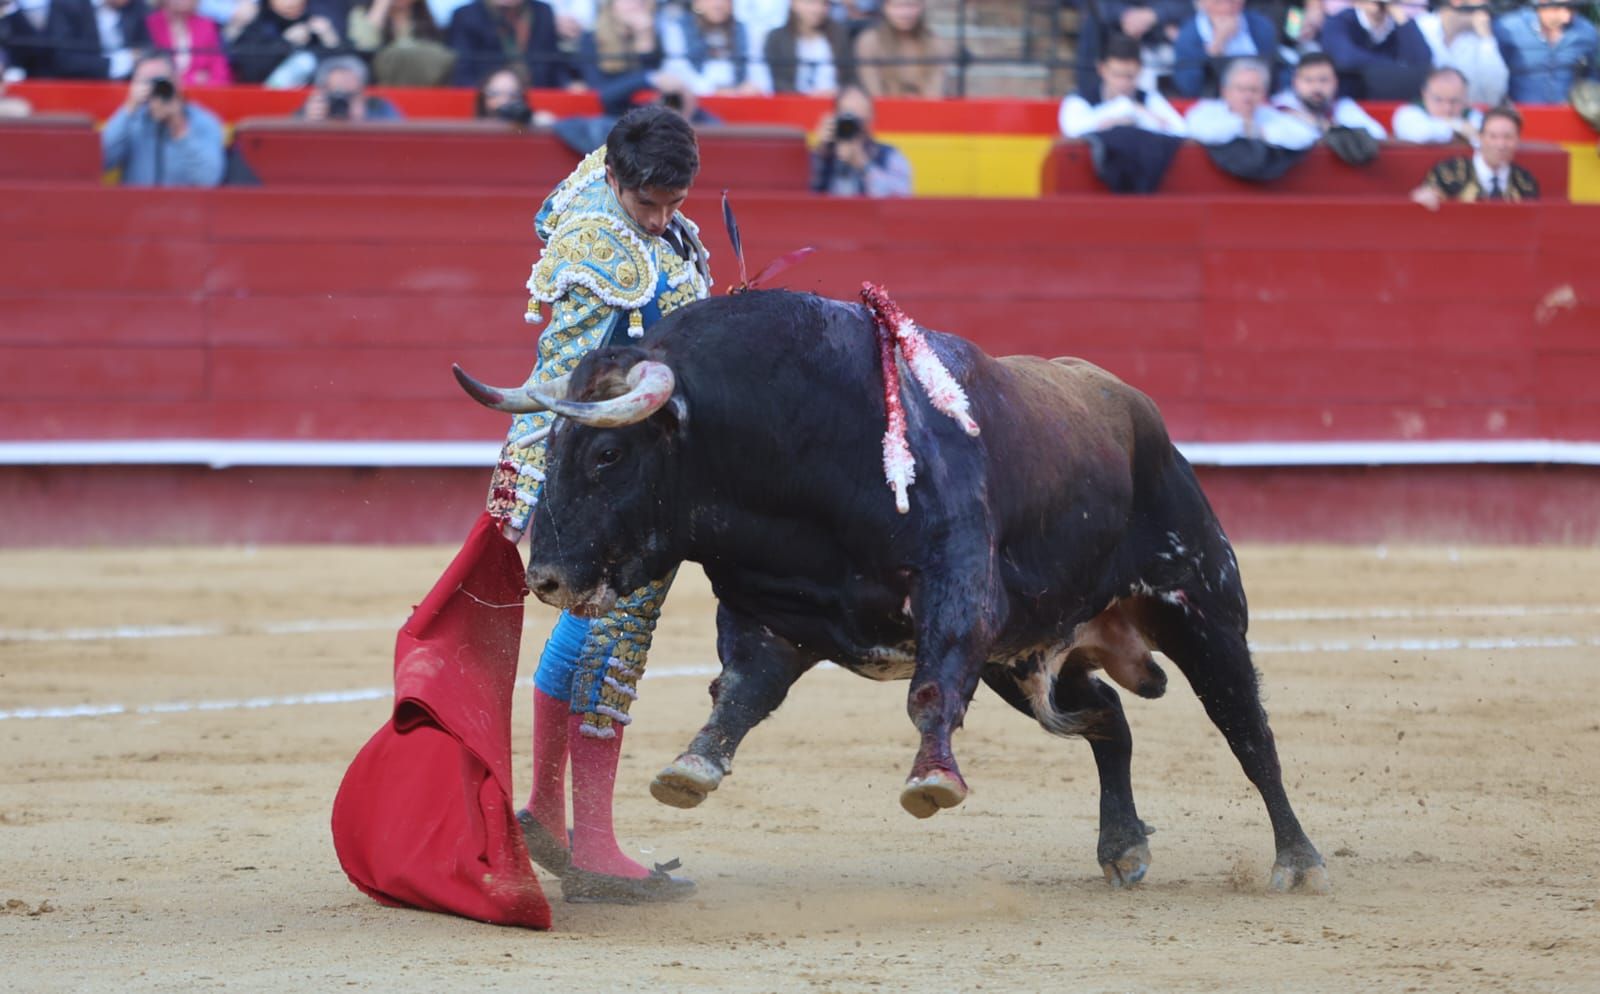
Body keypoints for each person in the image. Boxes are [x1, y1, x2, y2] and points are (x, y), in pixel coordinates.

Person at [478, 105, 710, 904]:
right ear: (614, 181)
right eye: (649, 204)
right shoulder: (592, 245)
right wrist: (523, 487)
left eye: (674, 203)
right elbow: (562, 379)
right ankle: (598, 846)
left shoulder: (654, 224)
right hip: (611, 484)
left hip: (636, 472)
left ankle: (547, 808)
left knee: (585, 628)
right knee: (616, 634)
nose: (663, 218)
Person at [100, 47, 225, 186]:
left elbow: (209, 180)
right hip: (136, 205)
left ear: (177, 82)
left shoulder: (203, 121)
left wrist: (179, 128)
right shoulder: (131, 121)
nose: (155, 88)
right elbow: (99, 162)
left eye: (161, 81)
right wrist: (129, 109)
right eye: (146, 82)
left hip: (185, 206)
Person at [1059, 32, 1185, 137]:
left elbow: (1181, 132)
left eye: (1129, 76)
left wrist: (1137, 113)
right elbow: (1072, 131)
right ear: (1102, 70)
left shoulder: (1148, 99)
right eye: (1117, 75)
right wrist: (1119, 112)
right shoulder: (1079, 99)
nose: (1123, 83)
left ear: (1139, 70)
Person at [1411, 104, 1538, 207]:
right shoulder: (1448, 172)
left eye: (1508, 137)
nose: (1501, 145)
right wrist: (1424, 196)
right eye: (1493, 136)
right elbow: (1425, 195)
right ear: (1480, 137)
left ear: (1517, 141)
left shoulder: (1525, 182)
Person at [1185, 56, 1320, 147]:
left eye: (1254, 90)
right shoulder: (1206, 110)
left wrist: (1260, 132)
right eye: (1241, 89)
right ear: (1225, 91)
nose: (1248, 96)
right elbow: (1199, 131)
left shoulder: (1268, 114)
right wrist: (1243, 126)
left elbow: (1307, 136)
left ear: (1263, 94)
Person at [576, 0, 679, 116]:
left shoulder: (655, 37)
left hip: (646, 116)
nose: (635, 4)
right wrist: (647, 78)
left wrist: (644, 39)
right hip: (609, 116)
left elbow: (652, 90)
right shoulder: (591, 39)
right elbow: (599, 91)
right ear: (611, 6)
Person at [810, 82, 912, 196]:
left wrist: (864, 165)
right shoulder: (822, 155)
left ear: (872, 120)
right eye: (846, 121)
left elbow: (900, 201)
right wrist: (821, 153)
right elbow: (800, 197)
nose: (853, 129)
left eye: (860, 122)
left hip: (871, 213)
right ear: (835, 119)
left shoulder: (890, 157)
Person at [1318, 0, 1433, 99]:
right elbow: (1345, 58)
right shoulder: (1339, 21)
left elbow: (1422, 61)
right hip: (1348, 99)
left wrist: (1401, 18)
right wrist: (1396, 67)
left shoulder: (1402, 25)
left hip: (1392, 99)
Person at [1495, 0, 1599, 106]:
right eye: (1558, 9)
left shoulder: (1586, 32)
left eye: (1572, 9)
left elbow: (1592, 77)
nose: (1566, 18)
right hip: (1518, 115)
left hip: (1568, 115)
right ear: (1543, 2)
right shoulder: (1507, 28)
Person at [1172, 0, 1284, 98]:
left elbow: (1277, 73)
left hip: (1259, 103)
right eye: (1219, 1)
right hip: (1213, 106)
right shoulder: (1188, 35)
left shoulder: (1261, 25)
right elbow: (1189, 87)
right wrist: (1218, 43)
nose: (1227, 5)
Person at [659, 0, 771, 96]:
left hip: (739, 103)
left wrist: (750, 88)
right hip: (697, 103)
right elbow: (676, 71)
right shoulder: (677, 29)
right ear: (697, 3)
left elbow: (760, 75)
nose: (718, 4)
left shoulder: (746, 31)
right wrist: (713, 90)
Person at [447, 0, 568, 87]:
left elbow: (554, 62)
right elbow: (462, 71)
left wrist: (568, 86)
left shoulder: (543, 11)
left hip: (540, 95)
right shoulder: (466, 15)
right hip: (488, 99)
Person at [1272, 50, 1387, 138]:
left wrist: (1322, 125)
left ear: (1335, 83)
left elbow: (1378, 134)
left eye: (1324, 80)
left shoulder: (1343, 107)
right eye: (1308, 80)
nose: (1317, 87)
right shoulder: (1279, 106)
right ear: (1295, 83)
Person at [1412, 0, 1507, 105]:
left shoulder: (1484, 40)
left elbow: (1493, 96)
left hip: (1467, 117)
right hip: (1421, 117)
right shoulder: (1419, 27)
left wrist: (1487, 41)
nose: (1486, 14)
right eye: (1483, 5)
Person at [228, 0, 342, 85]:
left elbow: (345, 70)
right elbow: (250, 70)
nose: (292, 2)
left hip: (312, 105)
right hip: (265, 104)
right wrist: (286, 43)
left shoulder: (315, 23)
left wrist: (330, 40)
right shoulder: (258, 25)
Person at [853, 0, 950, 98]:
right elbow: (874, 93)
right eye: (897, 6)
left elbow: (935, 94)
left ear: (922, 6)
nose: (905, 13)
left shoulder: (936, 44)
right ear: (885, 7)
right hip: (883, 109)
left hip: (925, 109)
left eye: (912, 5)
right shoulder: (869, 42)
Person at [346, 0, 455, 85]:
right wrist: (381, 5)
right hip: (379, 85)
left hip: (425, 88)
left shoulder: (431, 18)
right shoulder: (362, 13)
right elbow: (365, 45)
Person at [764, 0, 856, 96]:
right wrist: (807, 96)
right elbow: (777, 82)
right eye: (810, 2)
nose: (818, 9)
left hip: (834, 103)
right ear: (794, 4)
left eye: (824, 3)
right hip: (792, 105)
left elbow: (850, 78)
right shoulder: (777, 38)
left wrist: (838, 92)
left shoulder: (839, 35)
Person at [145, 0, 232, 85]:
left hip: (202, 95)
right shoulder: (151, 24)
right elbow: (149, 72)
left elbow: (221, 75)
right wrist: (192, 79)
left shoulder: (207, 26)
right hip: (162, 95)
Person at [296, 51, 402, 120]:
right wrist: (307, 122)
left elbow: (401, 141)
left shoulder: (379, 107)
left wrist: (365, 120)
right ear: (321, 92)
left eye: (350, 95)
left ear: (363, 92)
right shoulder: (311, 108)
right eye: (336, 95)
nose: (342, 102)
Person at [1392, 64, 1481, 143]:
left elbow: (1482, 139)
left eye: (1454, 101)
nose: (1447, 108)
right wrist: (1459, 127)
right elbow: (1422, 135)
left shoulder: (1473, 115)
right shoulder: (1407, 113)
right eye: (1438, 100)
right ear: (1424, 94)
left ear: (1465, 97)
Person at [476, 61, 556, 124]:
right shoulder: (472, 129)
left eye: (512, 95)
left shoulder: (535, 123)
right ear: (483, 96)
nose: (503, 100)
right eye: (495, 94)